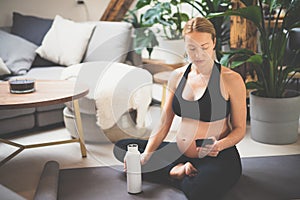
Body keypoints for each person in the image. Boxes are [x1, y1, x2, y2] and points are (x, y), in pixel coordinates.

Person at [113, 17, 247, 200]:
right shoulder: (177, 76)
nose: (198, 54)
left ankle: (173, 174)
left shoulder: (231, 79)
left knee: (200, 192)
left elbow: (240, 129)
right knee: (124, 149)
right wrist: (146, 156)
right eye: (192, 48)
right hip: (179, 153)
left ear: (214, 42)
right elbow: (164, 123)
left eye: (204, 47)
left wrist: (220, 145)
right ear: (185, 45)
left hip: (217, 156)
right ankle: (176, 171)